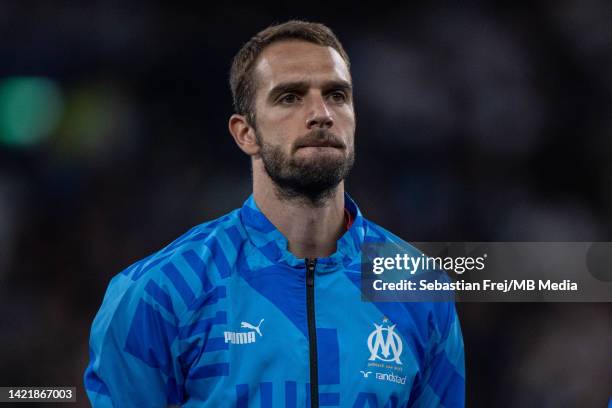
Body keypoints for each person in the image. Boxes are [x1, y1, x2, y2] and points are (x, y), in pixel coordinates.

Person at [84, 20, 465, 407]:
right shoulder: (158, 293)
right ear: (245, 133)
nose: (321, 113)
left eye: (336, 95)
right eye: (290, 97)